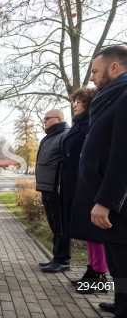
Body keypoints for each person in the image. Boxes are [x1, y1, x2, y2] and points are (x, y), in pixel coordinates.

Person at [71, 45, 127, 317]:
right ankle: (122, 301)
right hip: (107, 198)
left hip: (118, 202)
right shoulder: (111, 98)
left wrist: (105, 200)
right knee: (116, 260)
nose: (91, 77)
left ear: (114, 67)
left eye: (95, 71)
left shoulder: (125, 97)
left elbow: (122, 155)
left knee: (124, 259)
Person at [60, 87, 108, 293]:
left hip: (88, 181)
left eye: (78, 103)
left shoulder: (90, 123)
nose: (74, 106)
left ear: (87, 103)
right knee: (87, 231)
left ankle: (100, 275)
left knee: (94, 231)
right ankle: (92, 270)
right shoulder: (79, 124)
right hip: (77, 179)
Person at [36, 109, 71, 273]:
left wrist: (60, 183)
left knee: (60, 225)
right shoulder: (49, 137)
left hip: (56, 189)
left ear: (59, 119)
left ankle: (63, 260)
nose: (45, 122)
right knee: (54, 225)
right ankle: (56, 257)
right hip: (46, 187)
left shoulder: (65, 135)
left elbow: (67, 162)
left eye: (47, 119)